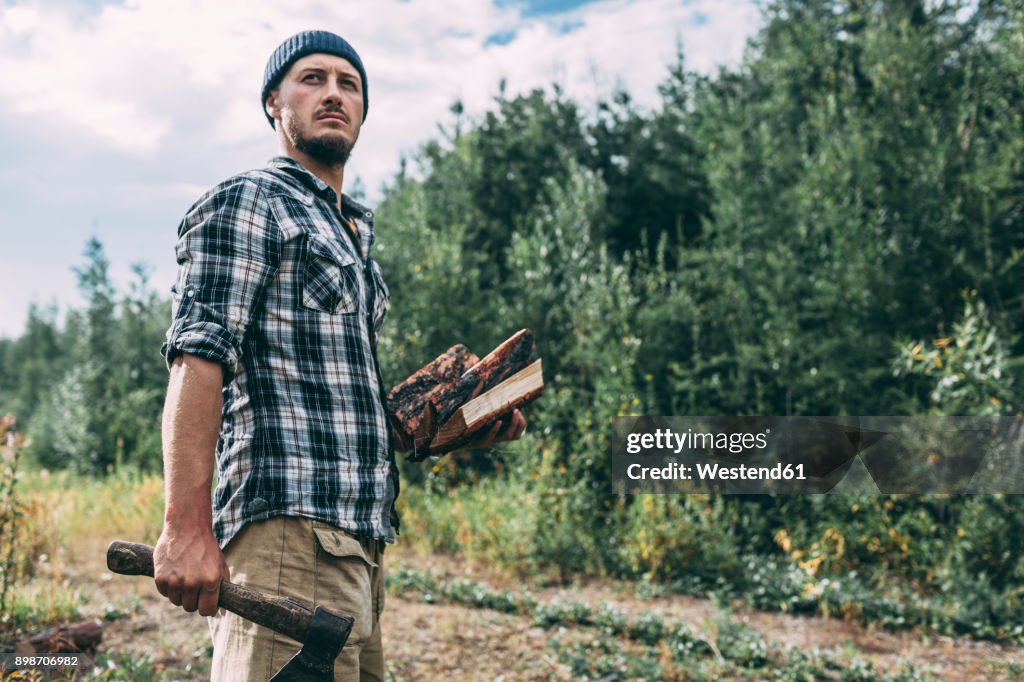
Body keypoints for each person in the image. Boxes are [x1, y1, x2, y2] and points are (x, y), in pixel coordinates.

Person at [153, 30, 525, 682]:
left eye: (348, 84)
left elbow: (328, 407)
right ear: (274, 102)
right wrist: (185, 526)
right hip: (285, 544)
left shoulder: (350, 231)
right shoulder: (254, 200)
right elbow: (197, 353)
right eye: (312, 79)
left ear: (363, 110)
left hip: (360, 549)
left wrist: (446, 427)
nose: (333, 93)